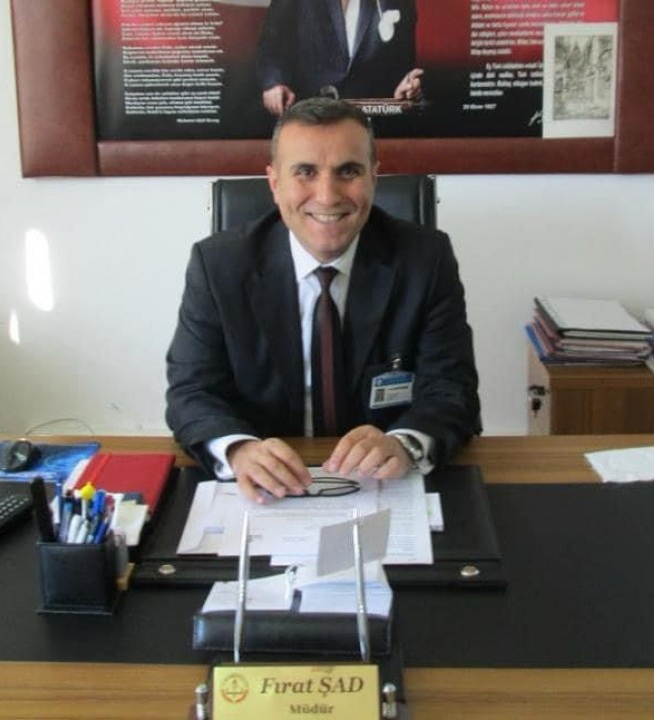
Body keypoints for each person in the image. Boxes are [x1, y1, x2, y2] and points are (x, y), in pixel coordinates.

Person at [165, 98, 480, 504]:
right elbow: (192, 391)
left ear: (373, 178)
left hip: (384, 490)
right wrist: (239, 450)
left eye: (348, 171)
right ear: (274, 183)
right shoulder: (217, 265)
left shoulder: (426, 260)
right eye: (305, 172)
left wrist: (403, 443)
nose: (328, 196)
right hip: (267, 495)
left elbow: (452, 388)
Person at [256, 0, 424, 117]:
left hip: (369, 119)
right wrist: (274, 83)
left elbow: (404, 67)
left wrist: (405, 87)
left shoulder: (400, 2)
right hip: (309, 114)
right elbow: (271, 47)